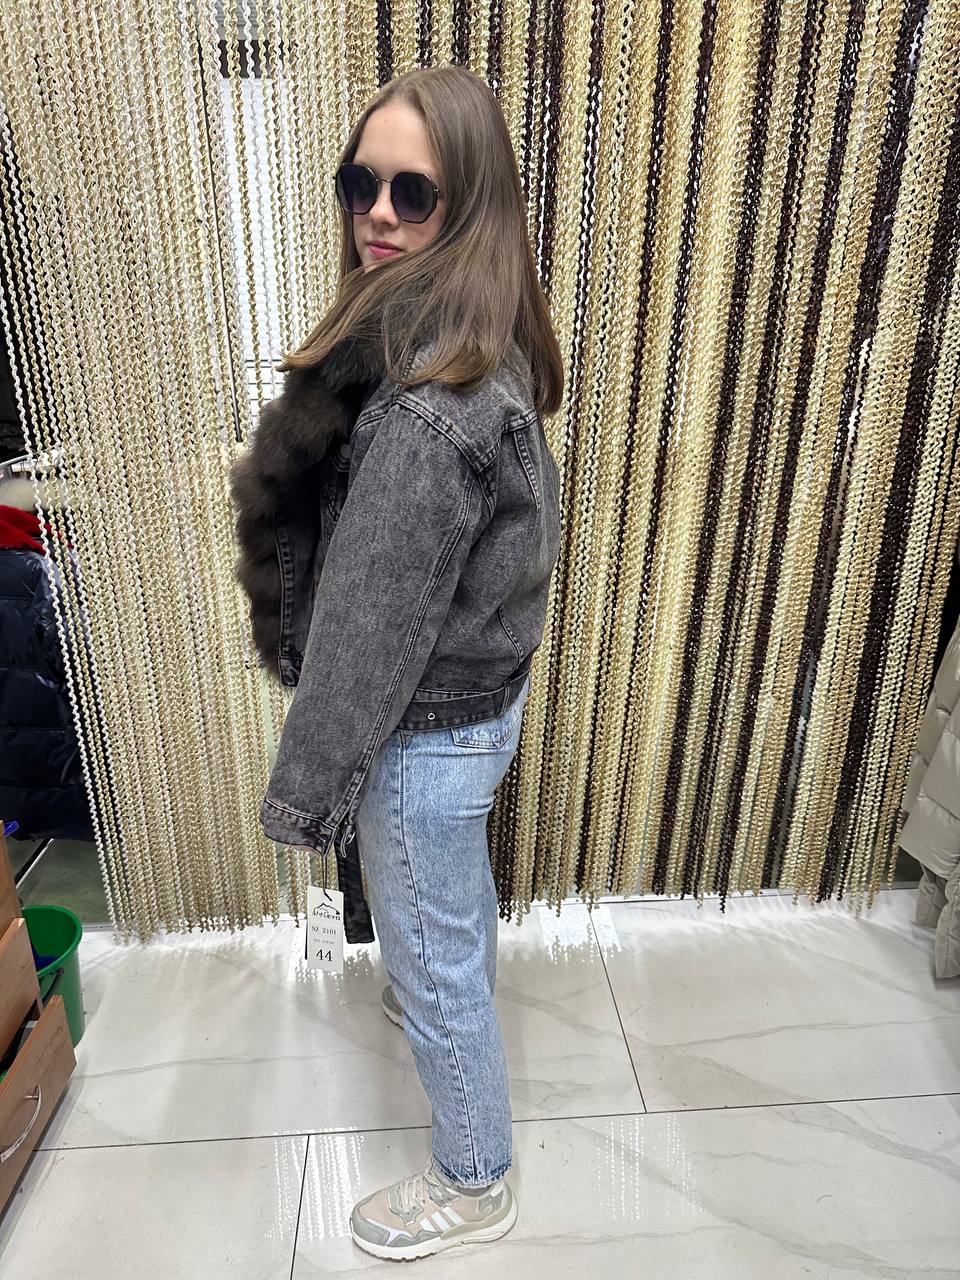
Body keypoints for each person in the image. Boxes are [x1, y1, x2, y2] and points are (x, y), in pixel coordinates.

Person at [229, 62, 564, 1262]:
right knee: (446, 922)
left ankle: (475, 1178)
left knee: (439, 957)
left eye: (412, 192)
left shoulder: (429, 408)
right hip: (473, 707)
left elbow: (368, 635)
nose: (377, 212)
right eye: (360, 183)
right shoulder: (467, 337)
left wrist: (309, 791)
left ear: (470, 205)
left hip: (427, 734)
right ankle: (430, 972)